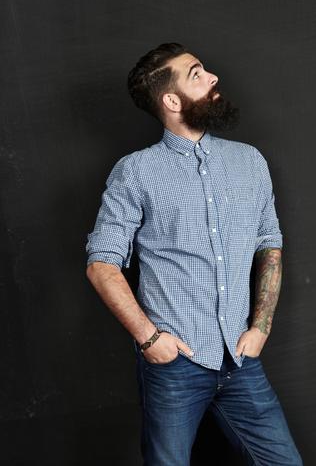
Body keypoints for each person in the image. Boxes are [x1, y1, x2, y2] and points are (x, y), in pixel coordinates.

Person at [85, 42, 302, 465]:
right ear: (171, 99)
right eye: (196, 73)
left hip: (240, 361)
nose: (213, 77)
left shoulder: (250, 161)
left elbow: (269, 243)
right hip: (175, 366)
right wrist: (150, 340)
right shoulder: (136, 172)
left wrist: (261, 327)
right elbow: (101, 264)